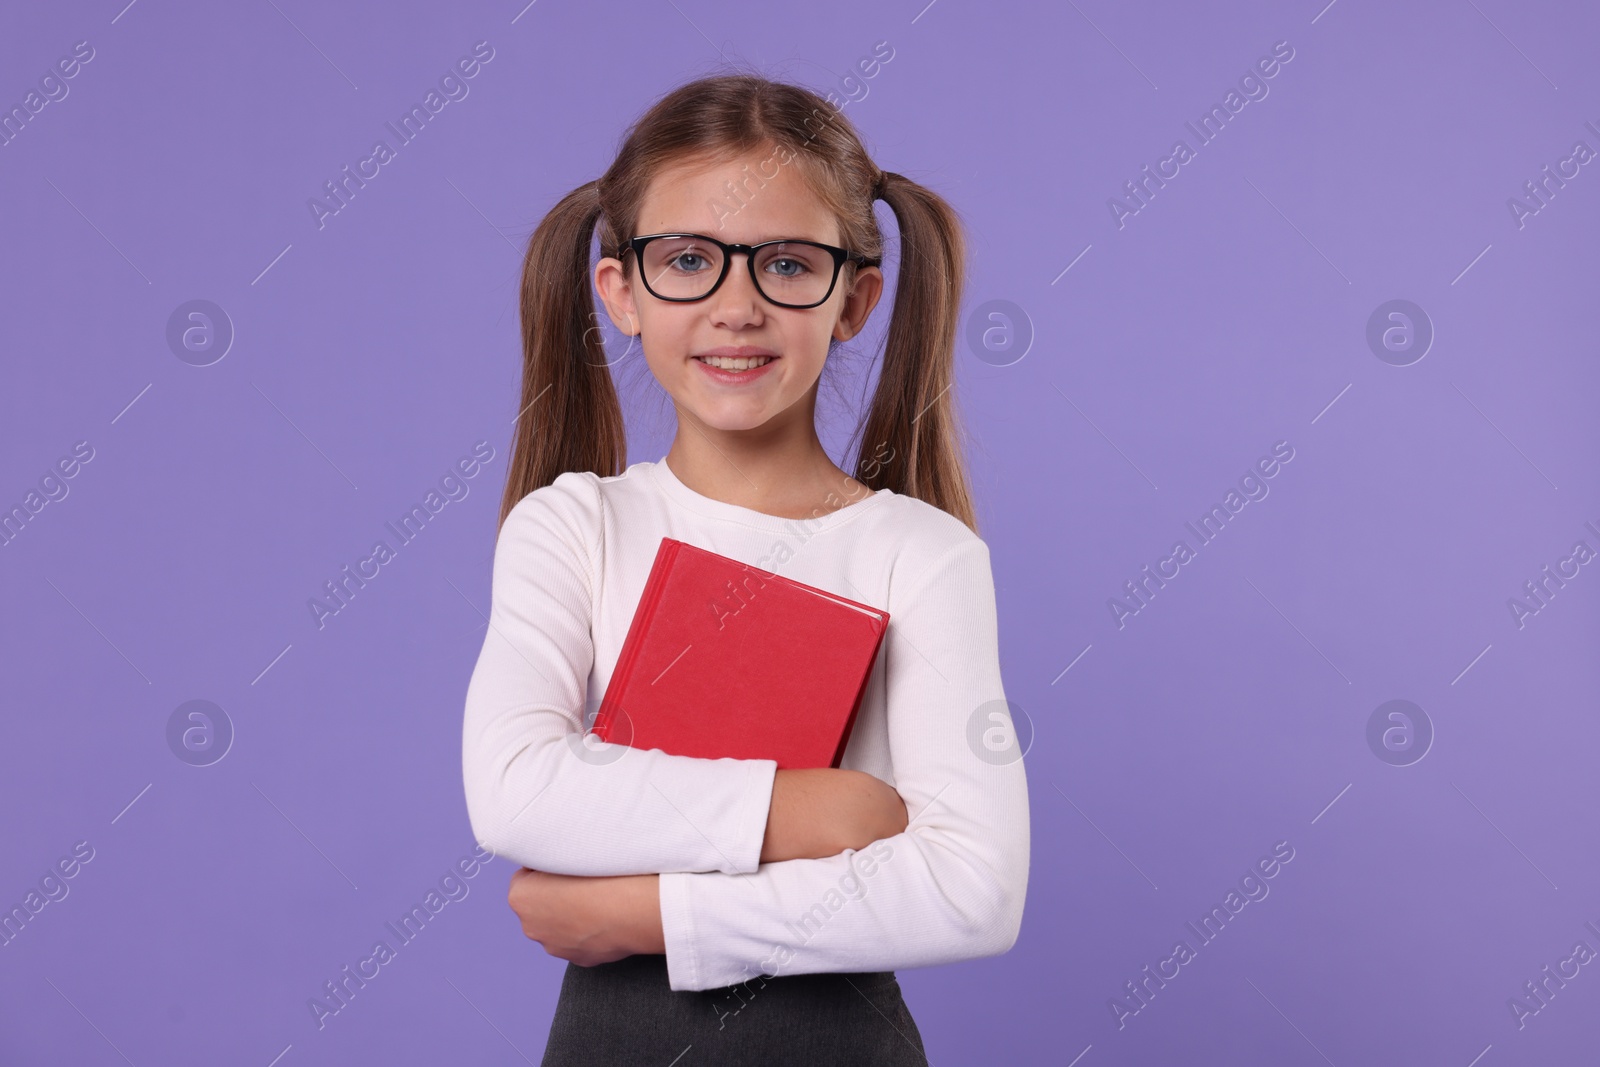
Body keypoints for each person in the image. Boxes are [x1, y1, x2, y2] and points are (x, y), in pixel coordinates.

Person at [460, 72, 1030, 1066]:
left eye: (785, 263)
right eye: (688, 259)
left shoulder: (920, 554)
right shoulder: (574, 526)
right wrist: (816, 808)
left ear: (852, 299)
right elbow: (515, 791)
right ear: (622, 291)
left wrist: (651, 914)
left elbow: (971, 888)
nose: (737, 305)